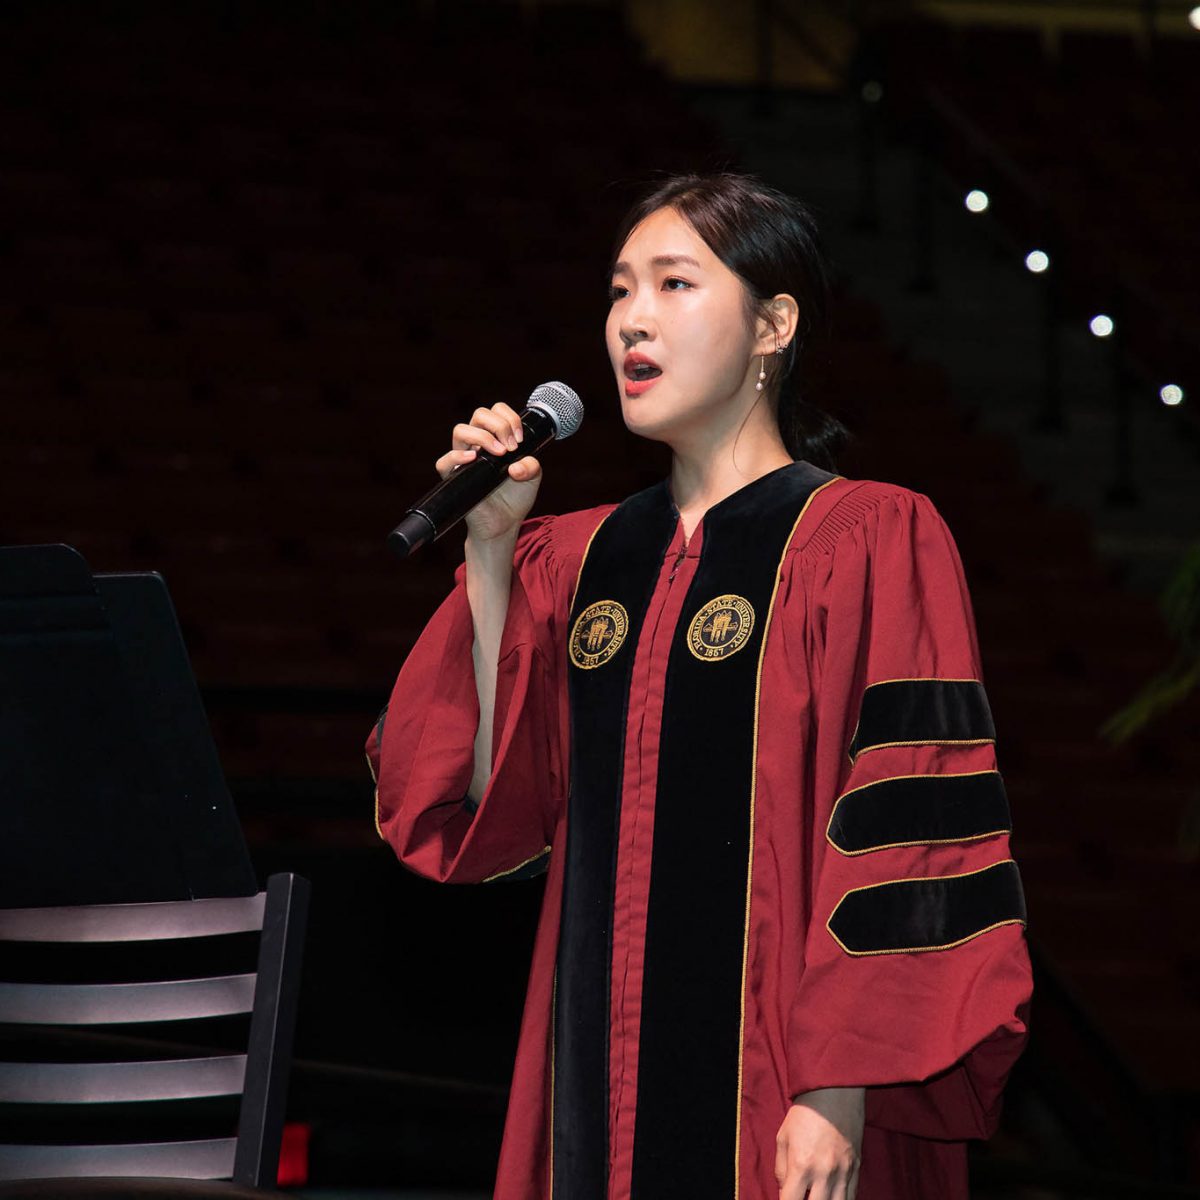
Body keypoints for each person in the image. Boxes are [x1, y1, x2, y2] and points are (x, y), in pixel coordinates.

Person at [366, 172, 1033, 1200]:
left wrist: (839, 1086)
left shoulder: (865, 540)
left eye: (674, 285)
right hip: (592, 1082)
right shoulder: (576, 560)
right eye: (619, 289)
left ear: (774, 325)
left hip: (790, 1093)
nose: (632, 319)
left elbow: (912, 826)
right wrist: (492, 557)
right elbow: (498, 814)